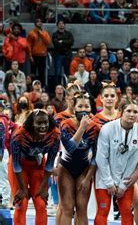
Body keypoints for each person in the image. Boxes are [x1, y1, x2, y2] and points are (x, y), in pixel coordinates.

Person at [94, 100, 138, 225]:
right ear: (121, 112)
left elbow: (133, 162)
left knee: (127, 211)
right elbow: (101, 158)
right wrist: (109, 183)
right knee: (103, 210)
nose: (132, 114)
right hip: (104, 177)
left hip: (126, 178)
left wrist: (122, 185)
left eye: (135, 112)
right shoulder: (108, 128)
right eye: (128, 111)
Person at [56, 92, 100, 225]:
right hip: (66, 169)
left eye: (86, 106)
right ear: (74, 108)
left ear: (91, 109)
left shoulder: (95, 128)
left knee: (82, 209)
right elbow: (69, 147)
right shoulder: (65, 124)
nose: (84, 109)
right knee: (67, 208)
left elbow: (96, 157)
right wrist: (82, 127)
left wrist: (88, 179)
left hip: (84, 169)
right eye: (80, 106)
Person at [11, 109, 60, 225]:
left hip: (38, 165)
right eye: (39, 123)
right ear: (32, 123)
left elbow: (49, 163)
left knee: (41, 202)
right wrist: (22, 189)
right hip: (19, 166)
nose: (43, 126)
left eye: (45, 123)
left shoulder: (55, 135)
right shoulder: (19, 135)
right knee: (21, 203)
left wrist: (44, 187)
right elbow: (16, 165)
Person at [26, 18, 51, 86]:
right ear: (35, 24)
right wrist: (30, 56)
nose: (39, 23)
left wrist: (42, 34)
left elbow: (48, 43)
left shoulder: (45, 33)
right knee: (33, 73)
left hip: (43, 55)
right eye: (37, 22)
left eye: (40, 22)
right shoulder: (31, 33)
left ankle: (42, 87)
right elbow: (28, 45)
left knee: (42, 73)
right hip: (34, 55)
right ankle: (31, 86)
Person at [52, 20, 74, 86]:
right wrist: (66, 42)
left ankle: (68, 86)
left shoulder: (69, 34)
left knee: (67, 72)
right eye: (60, 24)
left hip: (67, 55)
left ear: (64, 25)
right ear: (57, 25)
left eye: (62, 23)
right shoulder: (55, 34)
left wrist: (62, 41)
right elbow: (56, 44)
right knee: (57, 72)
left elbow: (71, 42)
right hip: (58, 55)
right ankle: (57, 87)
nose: (61, 25)